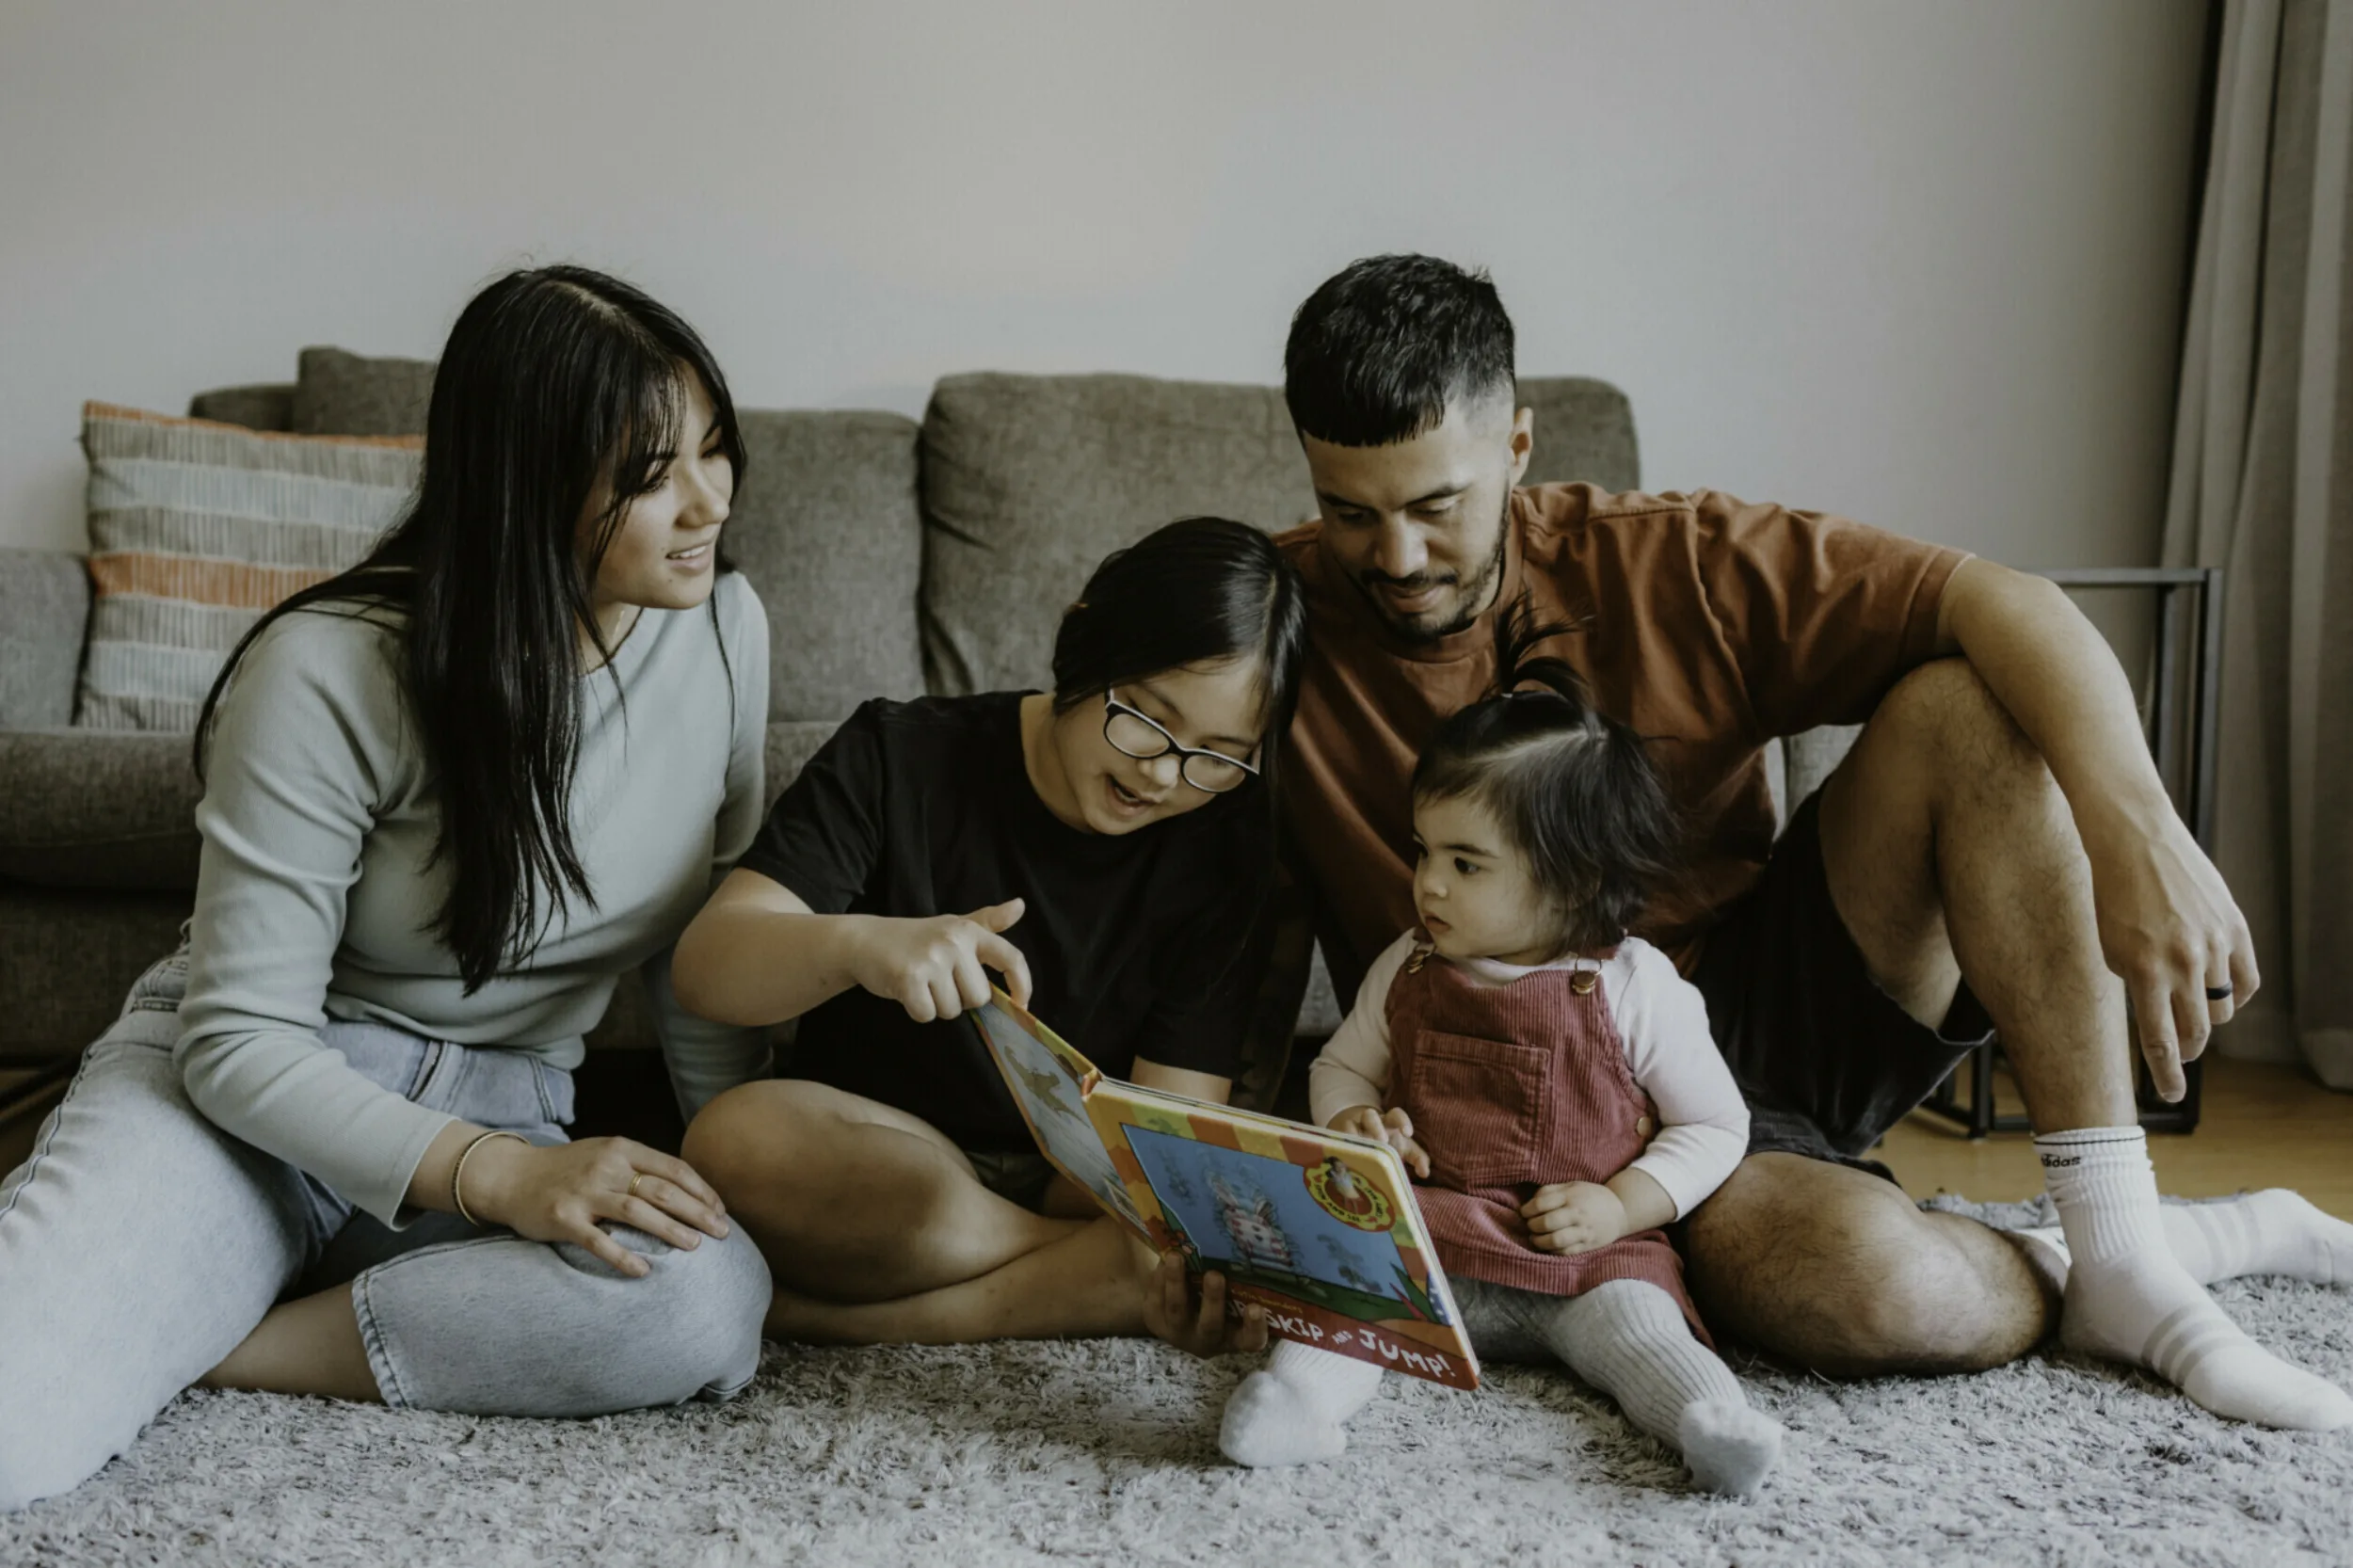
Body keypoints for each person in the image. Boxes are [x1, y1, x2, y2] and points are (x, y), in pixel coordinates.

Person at [1257, 253, 2353, 1430]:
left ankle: (2124, 1245)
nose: (1398, 559)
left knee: (1967, 703)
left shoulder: (1675, 559)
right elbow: (1109, 723)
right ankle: (2088, 1259)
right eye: (1350, 512)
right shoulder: (1268, 621)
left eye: (1436, 507)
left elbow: (2007, 600)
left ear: (1518, 449)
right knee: (1869, 1290)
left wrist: (2141, 829)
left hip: (1747, 1036)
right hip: (1478, 1090)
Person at [0, 265, 777, 1512]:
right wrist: (499, 1177)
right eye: (648, 472)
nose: (706, 503)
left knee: (708, 1298)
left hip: (511, 1102)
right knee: (10, 1431)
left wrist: (734, 1157)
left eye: (715, 450)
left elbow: (695, 950)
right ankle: (131, 1297)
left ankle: (208, 1342)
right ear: (527, 483)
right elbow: (242, 1036)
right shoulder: (326, 666)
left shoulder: (727, 631)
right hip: (250, 1104)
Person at [674, 517, 1303, 1351]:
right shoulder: (900, 754)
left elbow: (1166, 1130)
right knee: (736, 1139)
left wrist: (1137, 1224)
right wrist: (862, 946)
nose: (1161, 773)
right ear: (1083, 640)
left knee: (1165, 1208)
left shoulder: (1228, 842)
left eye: (1216, 756)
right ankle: (1086, 1277)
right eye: (1146, 718)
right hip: (876, 1153)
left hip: (1074, 1187)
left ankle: (847, 1318)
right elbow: (708, 969)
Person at [1219, 613, 1784, 1494]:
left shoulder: (1635, 985)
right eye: (1424, 850)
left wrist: (1622, 1206)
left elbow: (1715, 1123)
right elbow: (1339, 1067)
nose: (1428, 882)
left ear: (1576, 878)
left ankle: (1712, 1426)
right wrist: (1354, 1119)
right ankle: (1298, 1408)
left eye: (1467, 863)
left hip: (1584, 1262)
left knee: (1644, 1333)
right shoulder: (1408, 965)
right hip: (1432, 1244)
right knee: (1339, 1307)